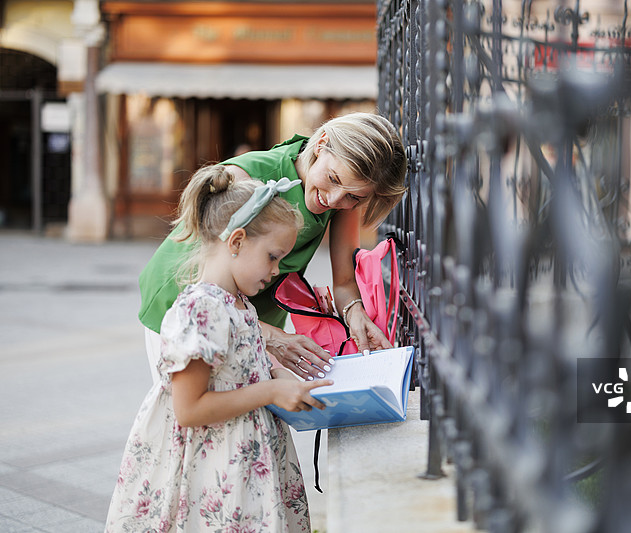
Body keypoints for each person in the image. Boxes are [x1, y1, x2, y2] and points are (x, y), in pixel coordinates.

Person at [106, 166, 333, 532]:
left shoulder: (238, 302)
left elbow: (240, 365)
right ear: (237, 242)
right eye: (273, 257)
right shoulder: (201, 308)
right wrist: (272, 390)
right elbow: (189, 409)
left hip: (239, 454)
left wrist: (275, 373)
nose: (276, 271)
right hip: (210, 461)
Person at [138, 112, 407, 382]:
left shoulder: (344, 192)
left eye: (353, 197)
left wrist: (355, 313)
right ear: (322, 142)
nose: (334, 199)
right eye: (334, 179)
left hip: (251, 321)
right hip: (185, 303)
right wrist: (270, 337)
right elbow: (204, 283)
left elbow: (345, 281)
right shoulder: (247, 179)